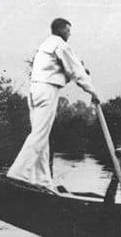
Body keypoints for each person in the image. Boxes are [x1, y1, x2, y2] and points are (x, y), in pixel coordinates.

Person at [7, 18, 100, 191]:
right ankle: (17, 173)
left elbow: (61, 71)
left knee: (42, 136)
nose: (70, 34)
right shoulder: (60, 45)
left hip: (34, 91)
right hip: (47, 91)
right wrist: (92, 91)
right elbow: (75, 70)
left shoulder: (45, 46)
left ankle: (43, 181)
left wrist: (78, 72)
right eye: (68, 30)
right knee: (39, 136)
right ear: (61, 30)